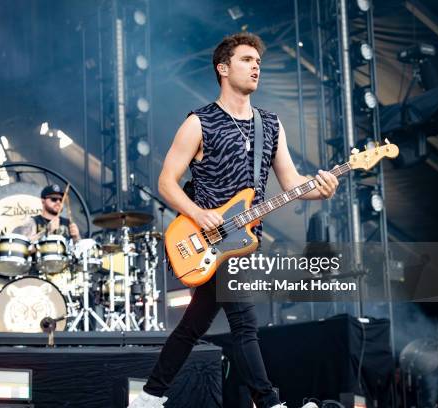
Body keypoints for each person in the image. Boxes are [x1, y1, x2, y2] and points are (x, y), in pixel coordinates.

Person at [128, 32, 338, 408]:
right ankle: (269, 401)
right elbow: (165, 181)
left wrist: (320, 187)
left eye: (258, 61)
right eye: (246, 59)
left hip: (241, 240)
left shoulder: (270, 125)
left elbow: (292, 183)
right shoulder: (200, 122)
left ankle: (148, 396)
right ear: (223, 68)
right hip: (207, 237)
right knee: (244, 322)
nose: (256, 66)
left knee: (193, 325)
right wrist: (198, 213)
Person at [13, 184, 80, 242]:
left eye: (61, 200)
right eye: (53, 199)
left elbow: (80, 251)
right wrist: (47, 231)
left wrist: (76, 238)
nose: (58, 202)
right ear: (43, 201)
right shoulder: (33, 222)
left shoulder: (68, 223)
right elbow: (26, 246)